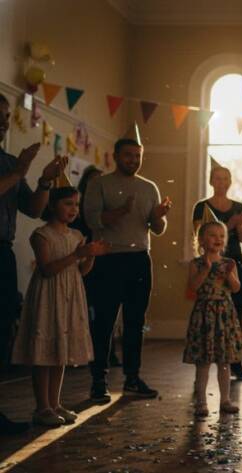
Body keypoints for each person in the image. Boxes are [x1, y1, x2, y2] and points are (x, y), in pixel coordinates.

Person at [84, 136, 172, 403]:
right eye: (128, 155)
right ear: (116, 156)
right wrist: (120, 211)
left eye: (137, 155)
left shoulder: (149, 187)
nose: (133, 160)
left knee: (135, 322)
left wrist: (159, 214)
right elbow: (91, 221)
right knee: (105, 322)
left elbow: (157, 229)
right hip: (109, 260)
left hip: (139, 259)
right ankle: (98, 381)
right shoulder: (99, 184)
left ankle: (132, 378)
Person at [11, 185, 108, 426]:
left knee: (61, 351)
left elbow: (82, 271)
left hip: (70, 295)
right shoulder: (41, 235)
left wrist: (91, 254)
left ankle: (55, 403)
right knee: (44, 353)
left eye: (76, 204)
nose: (74, 209)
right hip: (48, 295)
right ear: (52, 205)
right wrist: (78, 254)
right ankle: (41, 407)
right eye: (68, 203)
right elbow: (46, 269)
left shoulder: (76, 236)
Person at [0, 92, 67, 434]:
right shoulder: (13, 166)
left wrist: (43, 180)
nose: (3, 122)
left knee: (1, 330)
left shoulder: (9, 161)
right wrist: (21, 170)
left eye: (7, 116)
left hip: (3, 251)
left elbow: (35, 209)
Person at [192, 165, 242, 381]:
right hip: (210, 263)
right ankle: (205, 358)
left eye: (225, 178)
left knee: (235, 313)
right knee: (208, 311)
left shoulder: (239, 206)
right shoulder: (201, 207)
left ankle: (235, 362)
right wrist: (230, 224)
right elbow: (199, 234)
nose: (221, 182)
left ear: (230, 181)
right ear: (211, 181)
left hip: (233, 263)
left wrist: (240, 225)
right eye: (217, 178)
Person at [184, 221, 242, 417]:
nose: (218, 239)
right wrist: (205, 270)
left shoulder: (229, 263)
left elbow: (236, 288)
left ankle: (225, 400)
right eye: (212, 235)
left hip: (224, 314)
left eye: (221, 236)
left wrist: (230, 275)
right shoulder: (197, 263)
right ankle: (201, 402)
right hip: (205, 314)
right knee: (203, 362)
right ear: (201, 240)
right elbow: (193, 287)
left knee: (224, 361)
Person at [70, 165, 121, 368]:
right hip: (83, 264)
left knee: (106, 311)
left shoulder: (107, 207)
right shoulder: (78, 212)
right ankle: (83, 352)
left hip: (106, 263)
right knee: (84, 309)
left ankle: (107, 353)